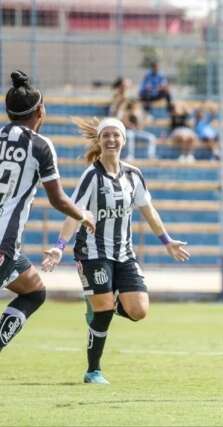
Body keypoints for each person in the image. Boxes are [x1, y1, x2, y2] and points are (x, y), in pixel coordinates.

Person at [41, 117, 190, 384]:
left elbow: (148, 210)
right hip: (92, 253)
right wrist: (59, 247)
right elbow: (74, 214)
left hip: (124, 254)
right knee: (103, 311)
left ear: (123, 140)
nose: (111, 139)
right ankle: (93, 370)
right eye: (106, 135)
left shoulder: (134, 175)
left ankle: (102, 301)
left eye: (115, 135)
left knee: (139, 310)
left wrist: (167, 241)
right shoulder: (91, 176)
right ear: (99, 141)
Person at [0, 70, 96, 353]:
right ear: (41, 110)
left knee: (34, 291)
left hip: (9, 250)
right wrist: (83, 216)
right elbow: (57, 199)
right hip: (3, 242)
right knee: (33, 294)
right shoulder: (40, 146)